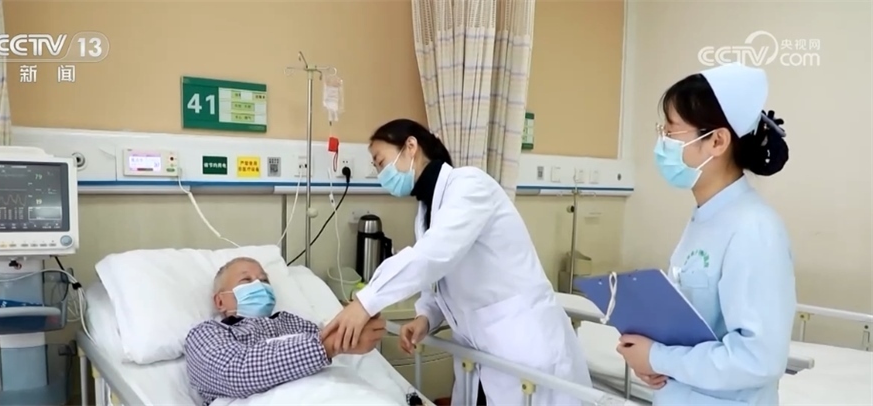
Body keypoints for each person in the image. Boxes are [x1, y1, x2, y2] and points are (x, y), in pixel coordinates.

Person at [321, 119, 592, 405]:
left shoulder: (469, 185)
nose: (381, 174)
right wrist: (426, 317)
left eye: (380, 162)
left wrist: (365, 302)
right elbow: (441, 279)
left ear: (410, 146)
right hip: (484, 352)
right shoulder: (426, 210)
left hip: (524, 344)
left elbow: (432, 256)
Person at [615, 63, 795, 405]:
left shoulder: (755, 229)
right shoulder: (707, 217)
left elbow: (759, 359)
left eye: (671, 132)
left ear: (717, 140)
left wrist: (659, 358)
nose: (662, 143)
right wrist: (653, 360)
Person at [184, 257, 386, 405]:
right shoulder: (205, 334)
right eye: (246, 280)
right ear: (220, 301)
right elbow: (237, 374)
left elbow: (336, 356)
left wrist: (351, 333)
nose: (259, 285)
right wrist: (328, 345)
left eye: (264, 281)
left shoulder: (294, 323)